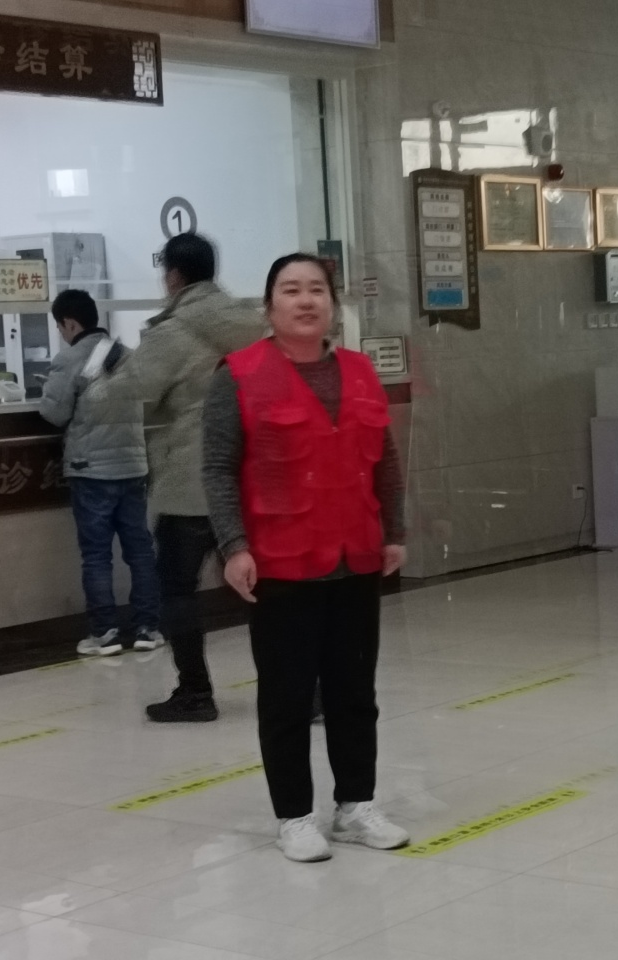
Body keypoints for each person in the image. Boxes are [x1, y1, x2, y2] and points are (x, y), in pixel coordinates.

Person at [203, 253, 409, 862]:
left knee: (354, 692)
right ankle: (294, 815)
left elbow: (385, 459)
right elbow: (217, 469)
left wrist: (394, 531)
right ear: (269, 307)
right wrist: (233, 546)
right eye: (291, 290)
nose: (305, 300)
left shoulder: (360, 371)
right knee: (287, 696)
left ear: (332, 305)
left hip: (355, 555)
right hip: (280, 561)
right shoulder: (239, 375)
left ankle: (355, 806)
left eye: (317, 289)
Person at [98, 233, 267, 720]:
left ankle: (195, 692)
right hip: (248, 477)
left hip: (191, 482)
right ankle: (303, 689)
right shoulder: (253, 324)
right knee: (262, 590)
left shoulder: (172, 333)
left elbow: (130, 395)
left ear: (173, 275)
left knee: (177, 589)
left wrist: (112, 371)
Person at [40, 290, 161, 655]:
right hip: (133, 468)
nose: (61, 333)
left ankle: (105, 633)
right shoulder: (128, 355)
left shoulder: (68, 359)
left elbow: (55, 413)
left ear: (70, 323)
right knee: (140, 551)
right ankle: (147, 628)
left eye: (60, 326)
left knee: (96, 555)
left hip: (91, 471)